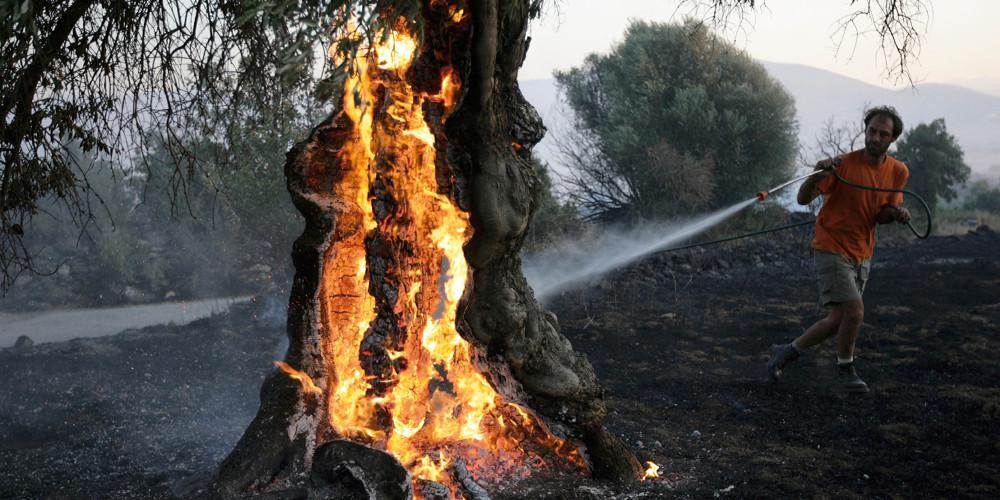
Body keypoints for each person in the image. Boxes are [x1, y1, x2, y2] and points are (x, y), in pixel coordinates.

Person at [767, 106, 911, 393]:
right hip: (831, 245)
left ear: (892, 139)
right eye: (871, 131)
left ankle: (785, 352)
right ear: (865, 131)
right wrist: (816, 174)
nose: (875, 137)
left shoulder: (898, 172)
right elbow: (802, 198)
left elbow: (881, 215)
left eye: (883, 134)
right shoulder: (842, 165)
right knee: (855, 312)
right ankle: (846, 369)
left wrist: (895, 214)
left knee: (837, 320)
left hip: (862, 252)